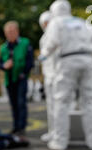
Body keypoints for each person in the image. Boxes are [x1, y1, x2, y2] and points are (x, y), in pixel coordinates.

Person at [40, 0, 92, 150]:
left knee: (61, 101)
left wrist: (43, 56)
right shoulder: (82, 22)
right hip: (87, 59)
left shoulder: (56, 23)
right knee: (90, 101)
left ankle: (60, 141)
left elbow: (51, 43)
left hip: (68, 61)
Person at [0, 21, 34, 138]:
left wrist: (24, 73)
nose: (10, 34)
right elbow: (0, 64)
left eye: (12, 32)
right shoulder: (3, 47)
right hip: (9, 79)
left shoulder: (25, 43)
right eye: (8, 32)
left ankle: (21, 127)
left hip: (21, 78)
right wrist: (4, 66)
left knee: (21, 102)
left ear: (17, 31)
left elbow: (30, 61)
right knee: (13, 104)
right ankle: (15, 127)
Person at [38, 11, 55, 142]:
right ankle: (53, 131)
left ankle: (60, 133)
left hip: (59, 75)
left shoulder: (57, 35)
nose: (46, 25)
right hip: (49, 75)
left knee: (60, 106)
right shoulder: (44, 38)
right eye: (44, 23)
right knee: (51, 106)